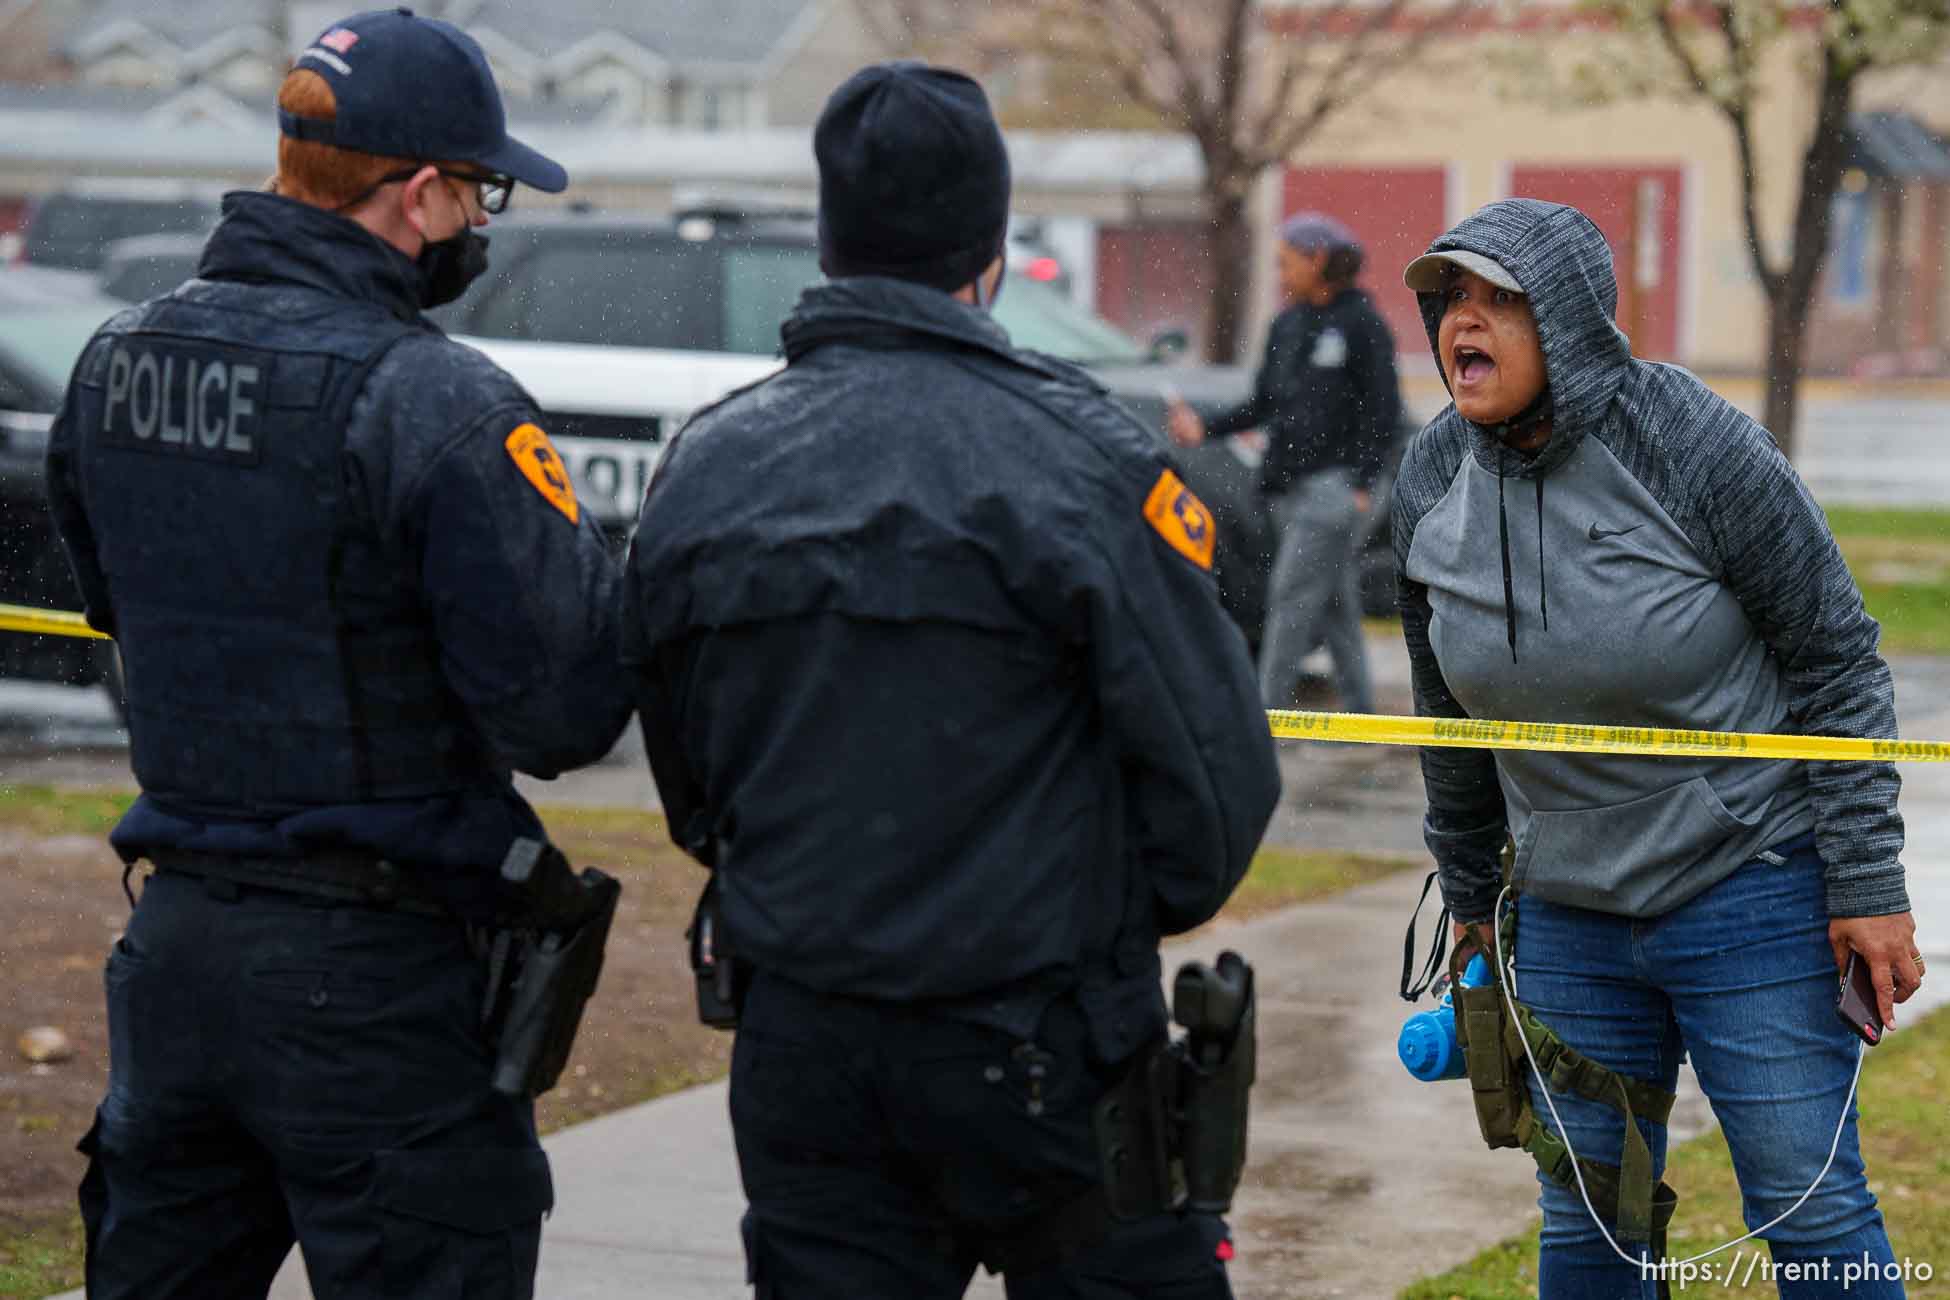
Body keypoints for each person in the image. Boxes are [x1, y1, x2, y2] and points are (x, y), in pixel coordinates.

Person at [621, 62, 1282, 1300]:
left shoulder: (710, 463)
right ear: (991, 249)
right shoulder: (1083, 460)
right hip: (1041, 1046)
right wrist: (1091, 910)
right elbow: (1217, 784)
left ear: (828, 237)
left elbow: (687, 765)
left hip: (809, 1037)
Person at [44, 10, 633, 1296]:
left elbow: (122, 611)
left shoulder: (113, 363)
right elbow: (565, 709)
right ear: (417, 194)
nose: (483, 222)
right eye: (480, 193)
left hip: (178, 957)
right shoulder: (433, 399)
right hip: (378, 985)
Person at [1392, 198, 1921, 1297]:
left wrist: (1868, 881)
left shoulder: (1690, 441)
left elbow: (1838, 659)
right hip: (1569, 915)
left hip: (1750, 891)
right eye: (1451, 300)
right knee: (1594, 1216)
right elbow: (1445, 719)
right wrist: (1474, 894)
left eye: (1500, 300)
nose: (1463, 325)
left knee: (1808, 1208)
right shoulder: (1430, 477)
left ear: (1573, 322)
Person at [1167, 212, 1401, 714]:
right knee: (1334, 602)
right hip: (1289, 489)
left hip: (1336, 493)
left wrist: (1363, 482)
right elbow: (1264, 403)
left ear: (1318, 260)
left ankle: (1259, 720)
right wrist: (1203, 429)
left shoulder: (1363, 326)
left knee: (1291, 599)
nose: (1281, 274)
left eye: (1287, 262)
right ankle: (1360, 718)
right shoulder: (1287, 324)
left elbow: (1384, 411)